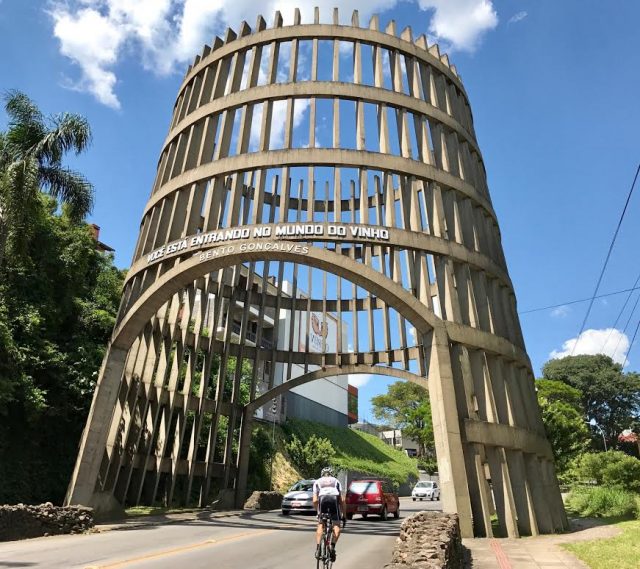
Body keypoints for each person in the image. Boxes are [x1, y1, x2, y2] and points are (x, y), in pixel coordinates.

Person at [313, 466, 343, 562]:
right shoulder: (336, 481)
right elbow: (342, 500)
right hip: (333, 500)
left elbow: (314, 500)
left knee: (321, 524)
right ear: (331, 475)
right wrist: (343, 514)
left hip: (322, 500)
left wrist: (318, 512)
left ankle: (318, 549)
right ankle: (332, 547)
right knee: (336, 525)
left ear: (322, 475)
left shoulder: (317, 482)